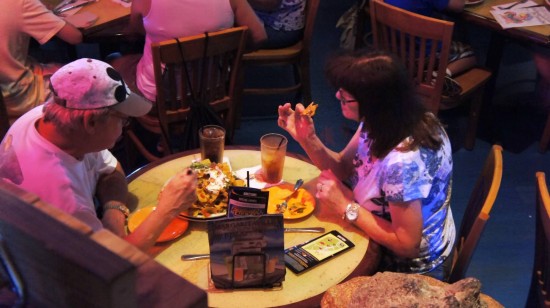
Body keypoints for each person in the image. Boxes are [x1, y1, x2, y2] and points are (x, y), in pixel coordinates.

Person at [277, 49, 455, 280]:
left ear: (374, 103)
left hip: (408, 269)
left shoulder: (402, 161)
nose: (337, 98)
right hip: (378, 227)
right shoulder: (386, 119)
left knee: (303, 273)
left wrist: (346, 206)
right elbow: (342, 167)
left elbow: (407, 244)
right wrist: (307, 138)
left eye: (345, 97)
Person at [0, 58, 198, 252]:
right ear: (90, 123)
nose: (124, 127)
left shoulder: (46, 118)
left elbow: (111, 169)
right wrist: (168, 208)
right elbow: (119, 263)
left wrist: (113, 213)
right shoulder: (63, 199)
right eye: (123, 120)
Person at [110, 0, 267, 103]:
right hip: (215, 88)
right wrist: (228, 49)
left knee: (113, 61)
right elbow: (259, 36)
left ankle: (121, 132)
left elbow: (135, 31)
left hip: (162, 97)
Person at [0, 0, 83, 123]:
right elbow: (75, 37)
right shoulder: (20, 3)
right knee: (89, 80)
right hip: (20, 98)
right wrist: (45, 13)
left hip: (5, 94)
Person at [385, 0, 477, 97]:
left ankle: (428, 73)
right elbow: (458, 6)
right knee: (472, 54)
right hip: (423, 54)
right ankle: (440, 75)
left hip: (394, 49)